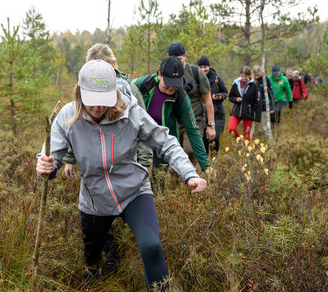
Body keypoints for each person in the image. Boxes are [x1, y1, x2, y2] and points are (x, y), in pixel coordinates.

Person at [36, 59, 207, 292]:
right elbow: (50, 157)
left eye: (102, 102)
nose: (97, 108)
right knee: (92, 254)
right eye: (91, 102)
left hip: (134, 192)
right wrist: (45, 166)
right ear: (80, 93)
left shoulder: (130, 111)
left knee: (151, 246)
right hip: (94, 200)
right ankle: (93, 271)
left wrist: (189, 174)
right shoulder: (68, 117)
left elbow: (165, 142)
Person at [62, 43, 151, 275]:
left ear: (114, 66)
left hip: (127, 166)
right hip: (97, 166)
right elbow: (78, 124)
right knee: (99, 213)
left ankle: (123, 252)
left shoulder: (129, 90)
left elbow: (143, 129)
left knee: (130, 212)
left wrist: (144, 163)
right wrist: (69, 158)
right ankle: (110, 257)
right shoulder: (87, 93)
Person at [133, 56, 211, 173]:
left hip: (162, 140)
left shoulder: (180, 97)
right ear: (159, 75)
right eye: (168, 82)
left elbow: (192, 130)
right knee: (136, 173)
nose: (172, 87)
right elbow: (124, 89)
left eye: (175, 83)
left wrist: (206, 166)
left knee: (159, 177)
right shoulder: (144, 84)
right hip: (139, 135)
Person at [167, 43, 216, 163]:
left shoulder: (196, 72)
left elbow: (208, 100)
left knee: (189, 151)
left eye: (179, 59)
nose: (176, 63)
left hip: (195, 119)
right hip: (174, 122)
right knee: (174, 154)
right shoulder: (165, 73)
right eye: (172, 59)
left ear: (185, 56)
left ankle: (191, 178)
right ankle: (176, 180)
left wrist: (211, 126)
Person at [197, 55, 228, 154]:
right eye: (200, 67)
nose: (203, 69)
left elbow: (225, 92)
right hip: (202, 116)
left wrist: (220, 96)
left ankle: (214, 158)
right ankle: (207, 164)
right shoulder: (196, 79)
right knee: (204, 141)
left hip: (218, 115)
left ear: (209, 67)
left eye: (205, 67)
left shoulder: (216, 78)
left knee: (215, 137)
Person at [227, 66, 261, 141]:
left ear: (249, 75)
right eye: (242, 76)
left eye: (245, 76)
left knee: (246, 135)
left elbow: (258, 103)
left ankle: (246, 150)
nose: (243, 78)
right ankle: (240, 141)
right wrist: (236, 99)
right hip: (236, 111)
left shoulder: (254, 85)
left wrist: (258, 118)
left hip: (248, 113)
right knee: (231, 129)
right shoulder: (236, 83)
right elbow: (230, 97)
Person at [252, 65, 275, 136]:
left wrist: (272, 107)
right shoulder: (252, 81)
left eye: (258, 75)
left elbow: (271, 94)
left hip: (264, 107)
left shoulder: (266, 80)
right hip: (254, 108)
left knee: (263, 128)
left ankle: (266, 142)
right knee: (251, 128)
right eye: (255, 75)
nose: (256, 77)